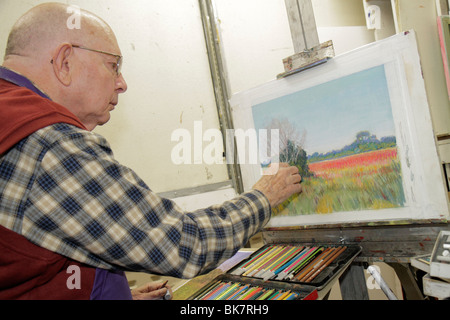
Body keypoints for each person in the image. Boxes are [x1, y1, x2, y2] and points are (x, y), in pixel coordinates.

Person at [0, 3, 302, 300]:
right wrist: (264, 195)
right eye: (113, 66)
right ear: (65, 62)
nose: (122, 84)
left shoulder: (11, 116)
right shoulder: (51, 145)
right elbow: (187, 245)